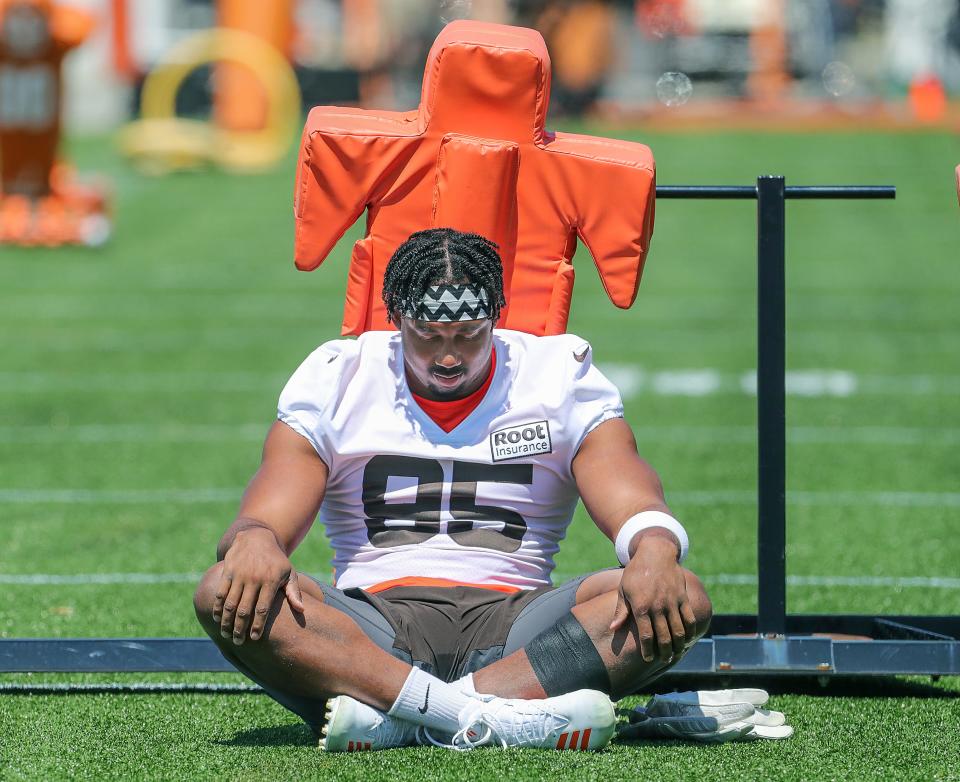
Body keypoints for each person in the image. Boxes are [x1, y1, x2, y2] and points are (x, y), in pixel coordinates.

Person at [193, 227, 713, 752]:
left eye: (468, 333)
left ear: (497, 318)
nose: (448, 356)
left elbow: (627, 487)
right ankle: (490, 719)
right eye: (429, 334)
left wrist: (653, 546)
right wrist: (255, 538)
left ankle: (404, 719)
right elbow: (266, 512)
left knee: (681, 594)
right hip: (375, 623)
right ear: (396, 319)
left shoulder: (555, 375)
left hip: (516, 626)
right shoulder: (340, 377)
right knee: (223, 589)